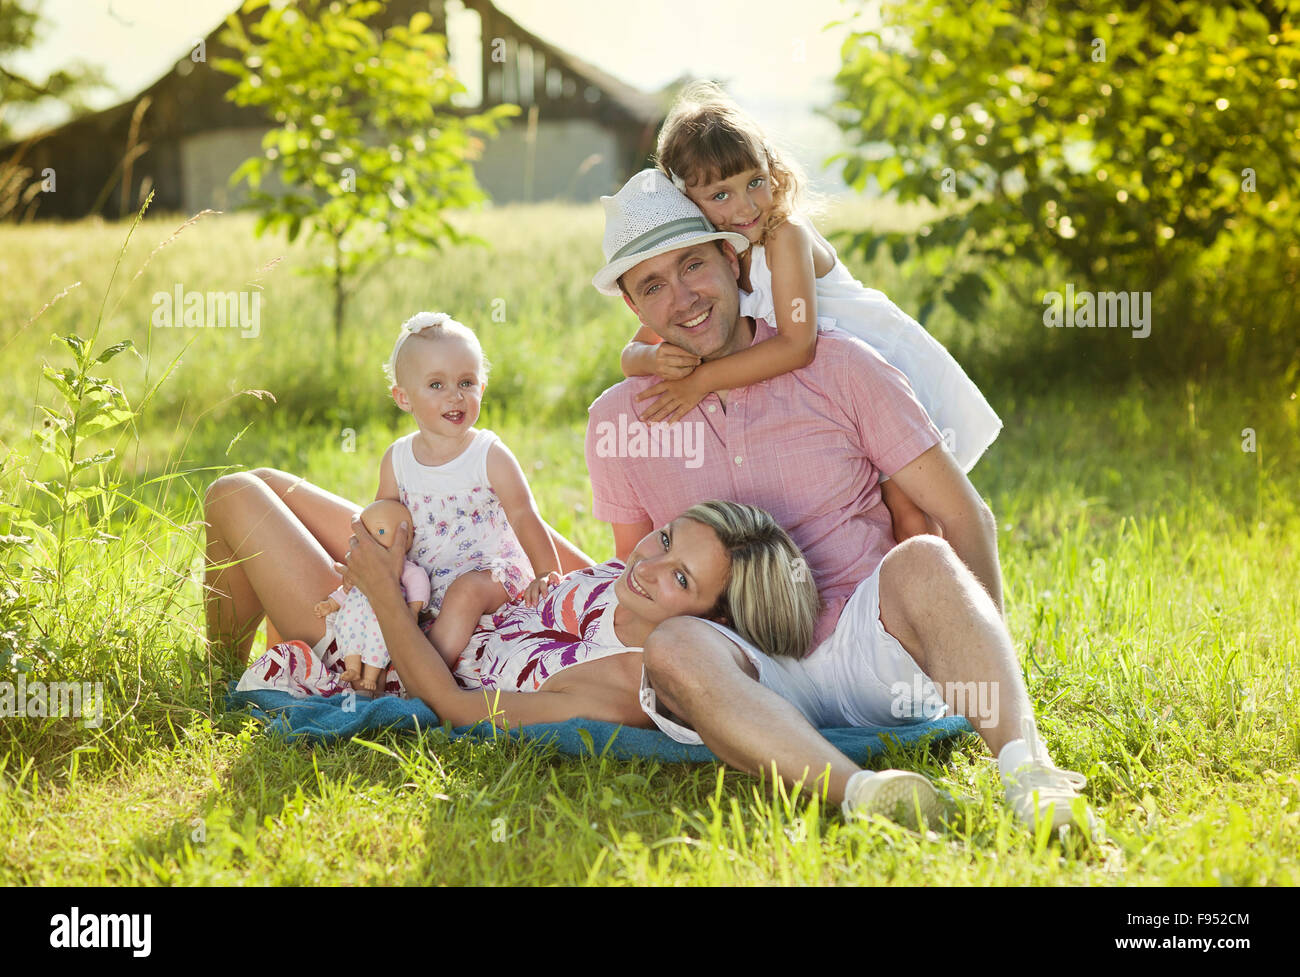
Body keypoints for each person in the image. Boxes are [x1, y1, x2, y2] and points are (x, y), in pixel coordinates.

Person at [587, 168, 1094, 833]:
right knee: (677, 642)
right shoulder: (617, 419)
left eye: (693, 265)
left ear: (733, 260)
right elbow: (638, 582)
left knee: (924, 557)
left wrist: (984, 659)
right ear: (632, 307)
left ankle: (1032, 776)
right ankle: (866, 795)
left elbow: (971, 517)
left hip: (872, 646)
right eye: (653, 284)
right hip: (750, 676)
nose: (682, 298)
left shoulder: (840, 366)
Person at [616, 81, 1002, 543]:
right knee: (880, 514)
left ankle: (946, 599)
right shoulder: (714, 263)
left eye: (755, 182)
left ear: (772, 172)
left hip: (882, 368)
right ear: (686, 203)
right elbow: (630, 353)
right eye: (721, 195)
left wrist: (700, 381)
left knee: (912, 513)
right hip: (833, 392)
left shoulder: (784, 235)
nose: (746, 206)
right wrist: (653, 361)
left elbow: (798, 345)